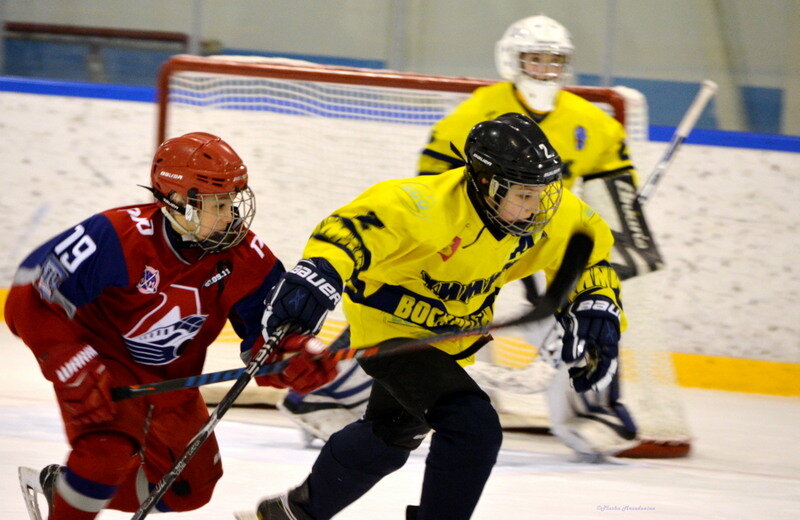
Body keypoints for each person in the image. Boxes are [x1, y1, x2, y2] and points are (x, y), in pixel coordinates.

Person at [280, 14, 663, 458]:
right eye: (534, 58)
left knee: (588, 307)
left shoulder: (594, 125)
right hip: (470, 239)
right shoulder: (475, 114)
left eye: (553, 60)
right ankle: (324, 393)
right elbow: (433, 193)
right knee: (415, 313)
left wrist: (614, 244)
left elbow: (618, 203)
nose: (544, 68)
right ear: (512, 60)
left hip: (546, 237)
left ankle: (595, 407)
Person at [240, 113, 625, 520]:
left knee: (389, 437)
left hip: (449, 340)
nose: (536, 209)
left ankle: (293, 512)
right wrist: (319, 275)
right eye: (523, 196)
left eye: (542, 193)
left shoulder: (543, 210)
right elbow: (348, 232)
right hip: (391, 334)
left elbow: (591, 256)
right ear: (483, 183)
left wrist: (597, 306)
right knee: (472, 428)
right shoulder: (423, 206)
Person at [5, 132, 336, 520]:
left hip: (175, 386)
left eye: (232, 202)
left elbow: (264, 340)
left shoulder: (248, 256)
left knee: (188, 491)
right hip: (105, 372)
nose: (231, 215)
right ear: (179, 201)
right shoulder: (117, 236)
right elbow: (29, 295)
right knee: (104, 452)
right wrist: (66, 356)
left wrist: (292, 359)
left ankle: (66, 489)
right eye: (218, 203)